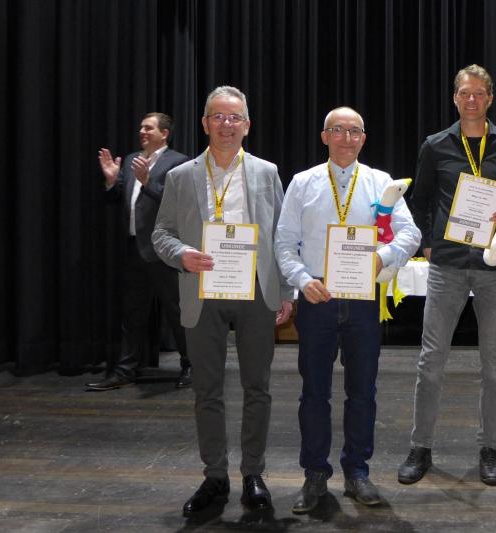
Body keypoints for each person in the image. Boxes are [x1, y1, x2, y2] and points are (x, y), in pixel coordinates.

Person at [152, 86, 293, 516]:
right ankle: (215, 476)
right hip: (202, 292)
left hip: (256, 292)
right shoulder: (180, 176)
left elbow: (282, 236)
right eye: (218, 116)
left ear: (247, 125)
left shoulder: (267, 172)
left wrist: (286, 291)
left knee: (258, 388)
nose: (226, 125)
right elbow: (161, 233)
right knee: (207, 391)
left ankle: (253, 474)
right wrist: (182, 254)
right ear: (205, 123)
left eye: (234, 118)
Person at [276, 107, 420, 513]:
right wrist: (302, 280)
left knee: (362, 392)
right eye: (337, 130)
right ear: (324, 137)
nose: (346, 138)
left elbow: (411, 233)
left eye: (354, 131)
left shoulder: (381, 182)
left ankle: (357, 471)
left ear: (363, 138)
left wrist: (381, 258)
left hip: (362, 301)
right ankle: (315, 474)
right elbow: (283, 242)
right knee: (314, 393)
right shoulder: (303, 183)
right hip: (317, 299)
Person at [398, 65, 496, 487]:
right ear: (455, 98)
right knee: (431, 361)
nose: (471, 100)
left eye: (479, 93)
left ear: (490, 98)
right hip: (447, 265)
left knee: (494, 365)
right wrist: (427, 245)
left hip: (494, 268)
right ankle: (420, 446)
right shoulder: (435, 145)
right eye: (464, 93)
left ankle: (489, 448)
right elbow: (420, 201)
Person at [88, 113, 191, 391]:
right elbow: (117, 199)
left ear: (164, 133)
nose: (142, 131)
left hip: (165, 250)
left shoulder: (178, 162)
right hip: (134, 248)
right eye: (141, 127)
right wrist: (112, 181)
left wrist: (147, 181)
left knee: (178, 312)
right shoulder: (132, 159)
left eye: (149, 128)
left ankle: (190, 365)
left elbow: (177, 202)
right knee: (132, 314)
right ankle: (125, 370)